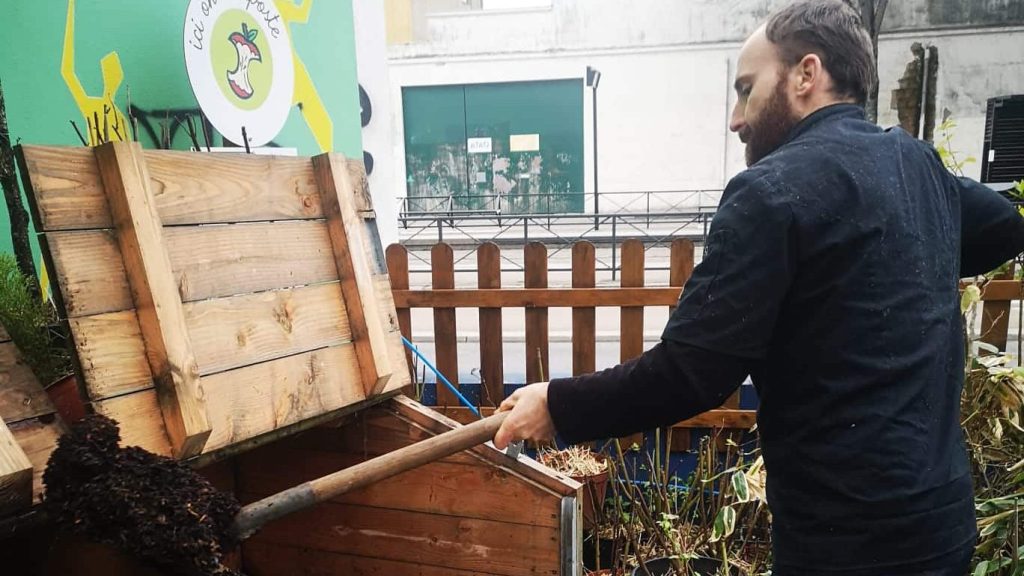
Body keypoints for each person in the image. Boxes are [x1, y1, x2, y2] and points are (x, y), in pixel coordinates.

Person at [492, 1, 1024, 574]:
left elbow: (689, 374)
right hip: (943, 528)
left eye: (746, 88)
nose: (735, 117)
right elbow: (1005, 225)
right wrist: (915, 249)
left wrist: (557, 404)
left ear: (805, 75)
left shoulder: (770, 192)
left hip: (844, 547)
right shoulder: (919, 166)